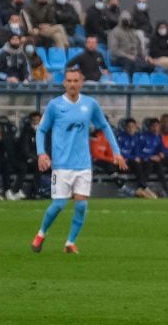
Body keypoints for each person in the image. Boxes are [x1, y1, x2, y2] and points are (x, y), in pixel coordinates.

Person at [31, 67, 126, 255]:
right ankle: (41, 234)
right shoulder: (55, 105)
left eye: (76, 81)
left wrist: (116, 151)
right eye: (69, 81)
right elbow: (41, 130)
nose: (73, 84)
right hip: (61, 165)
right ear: (64, 83)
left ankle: (70, 242)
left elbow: (104, 126)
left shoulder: (90, 104)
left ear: (81, 83)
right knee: (58, 204)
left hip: (83, 164)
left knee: (81, 205)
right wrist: (42, 153)